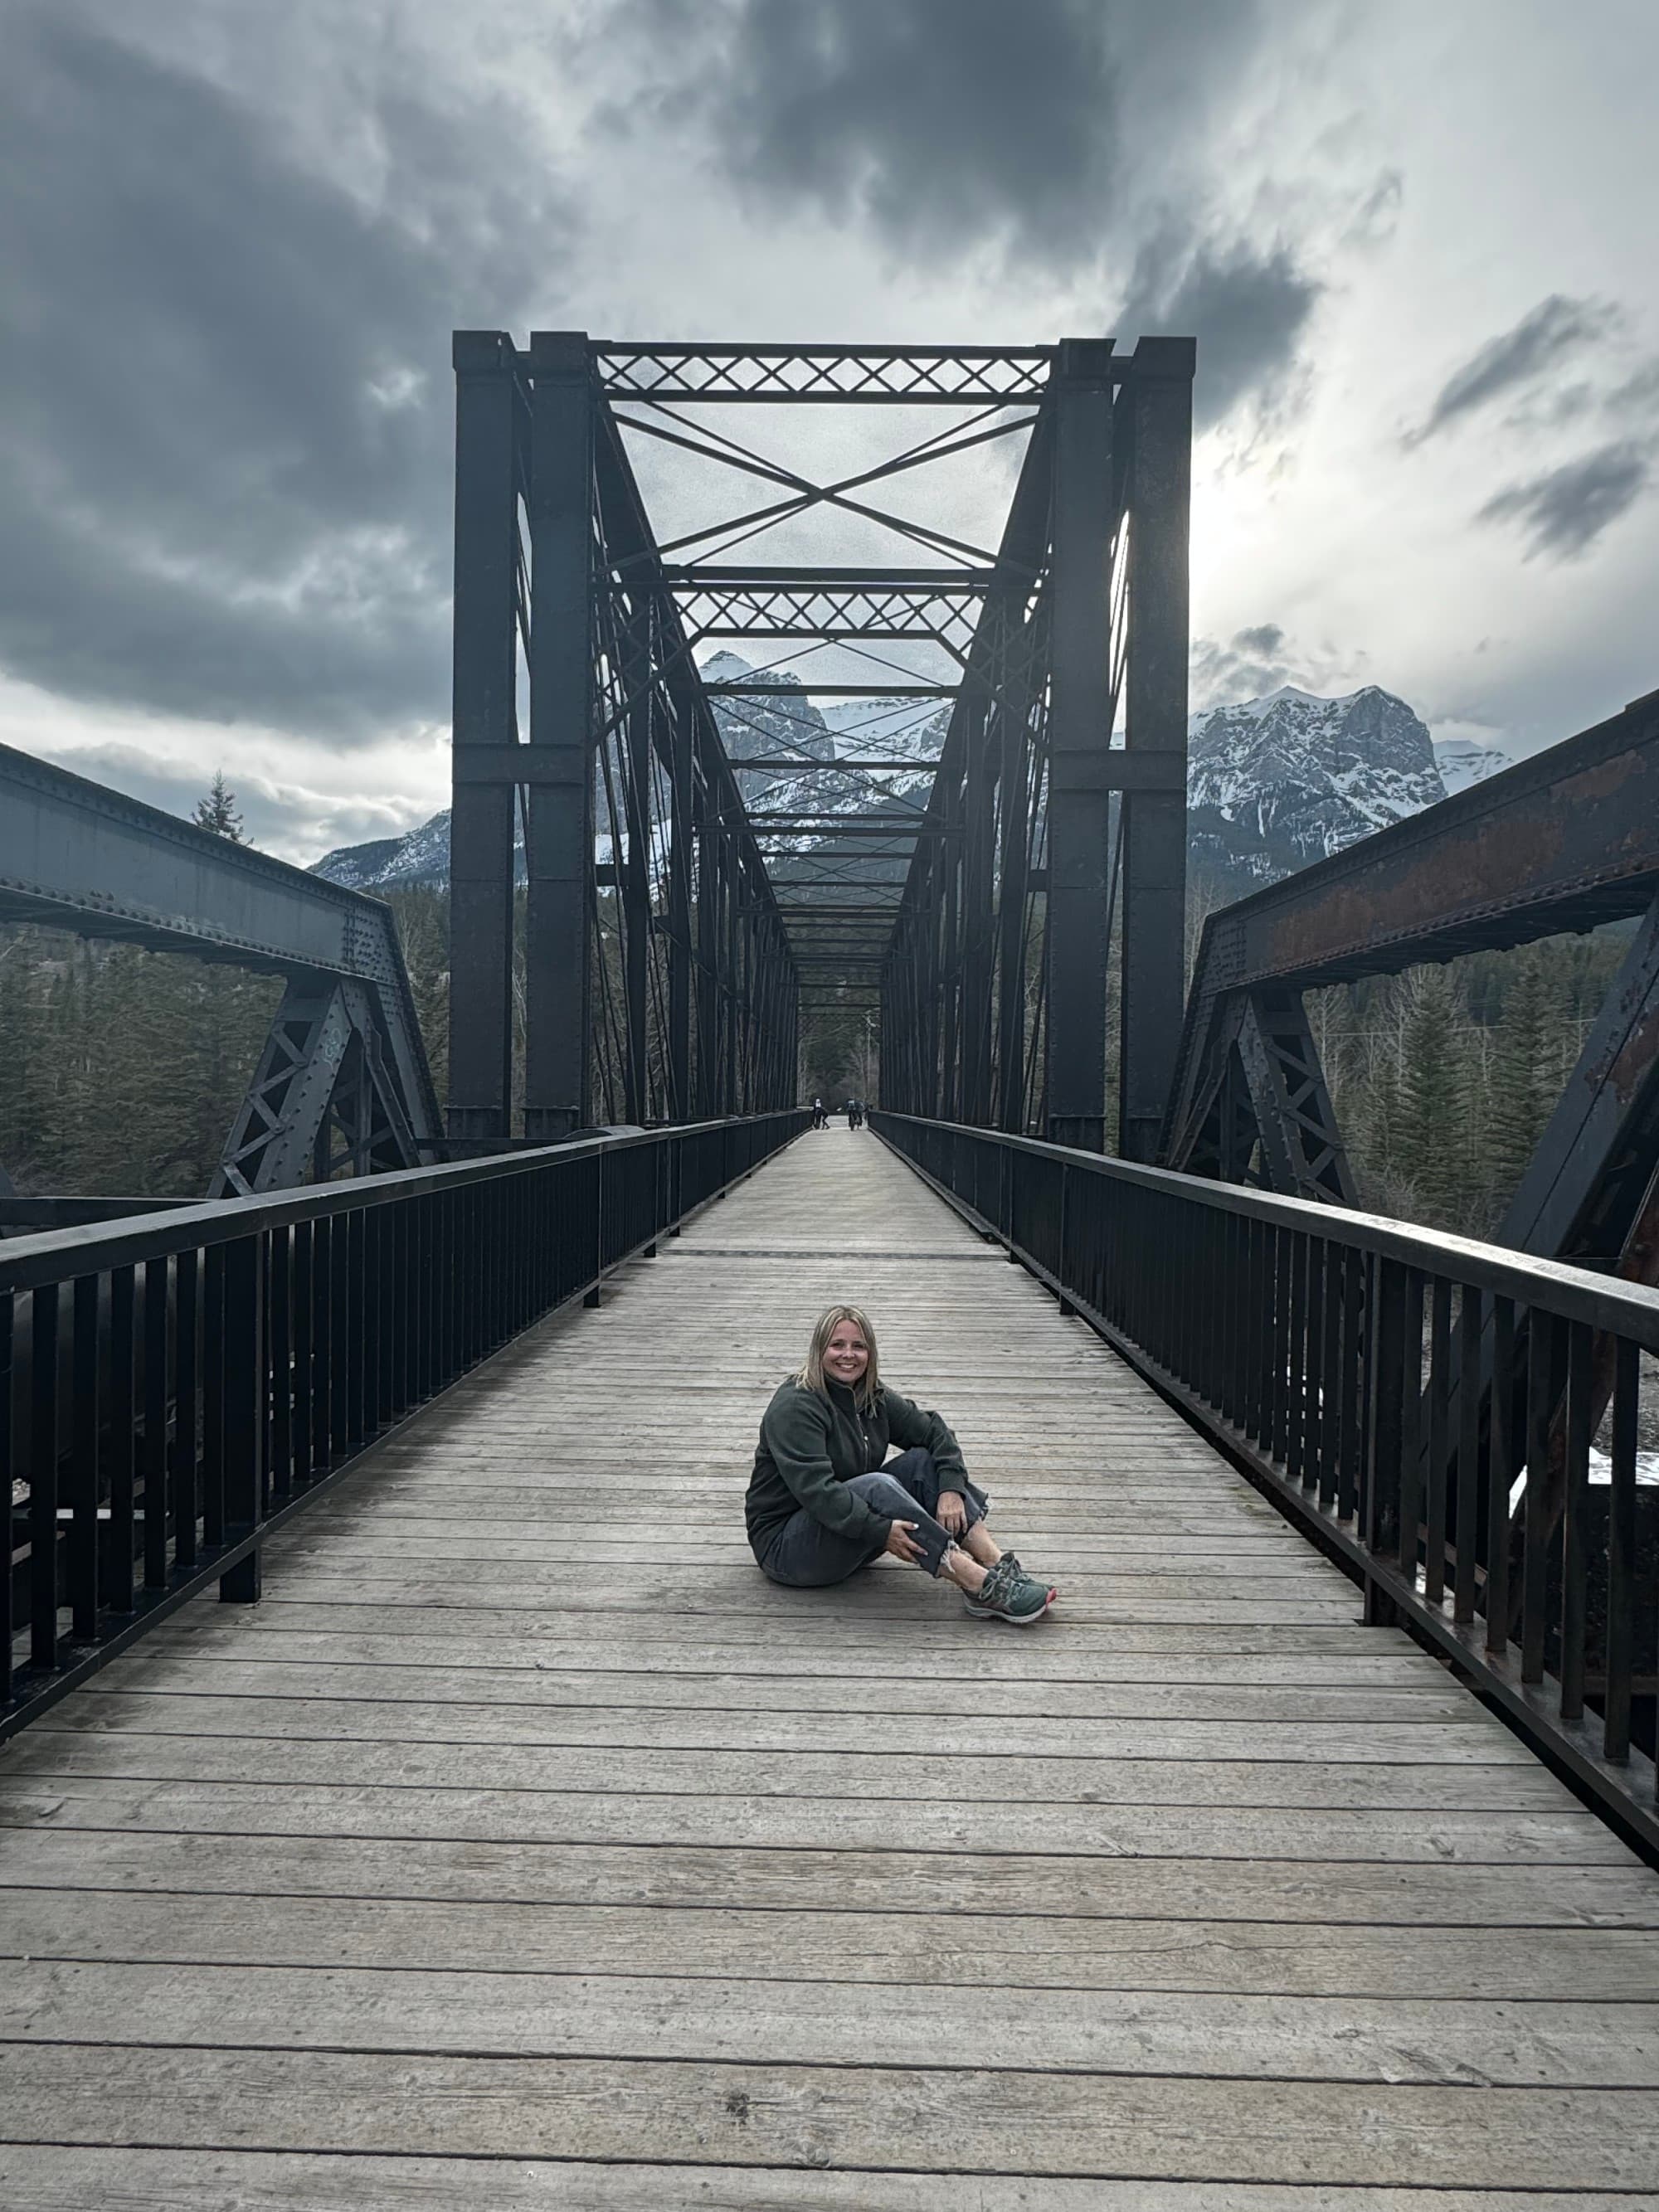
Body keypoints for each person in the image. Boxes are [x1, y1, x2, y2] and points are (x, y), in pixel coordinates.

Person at [745, 1304, 1056, 1623]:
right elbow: (818, 1493)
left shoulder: (870, 1395)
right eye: (837, 1345)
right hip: (786, 1550)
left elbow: (935, 1432)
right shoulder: (797, 1405)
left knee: (923, 1462)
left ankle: (996, 1562)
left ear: (871, 1353)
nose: (848, 1355)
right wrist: (879, 1529)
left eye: (859, 1346)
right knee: (877, 1485)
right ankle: (978, 1584)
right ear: (818, 1350)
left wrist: (951, 1487)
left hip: (848, 1532)